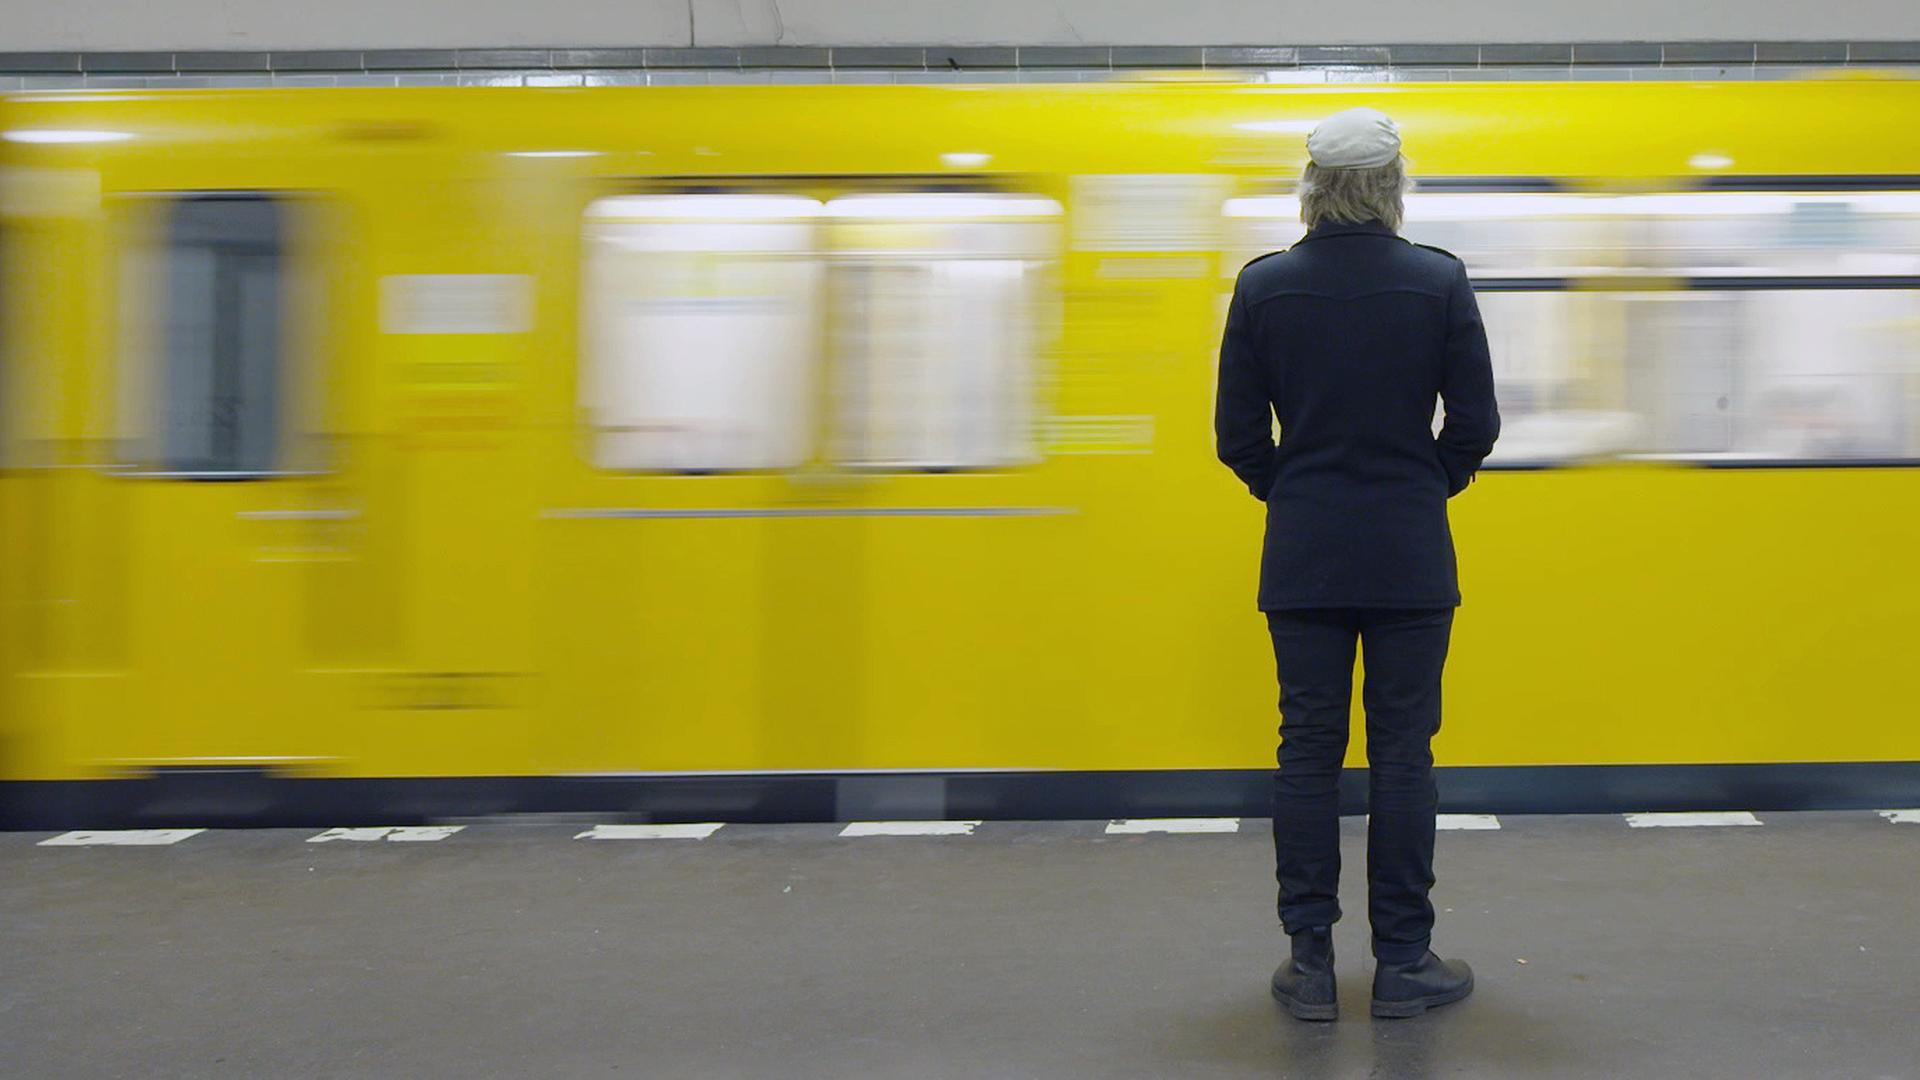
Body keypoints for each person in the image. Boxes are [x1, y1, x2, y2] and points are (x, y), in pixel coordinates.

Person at [1213, 106, 1500, 1021]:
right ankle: (1404, 962)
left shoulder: (1263, 289)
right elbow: (1477, 425)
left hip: (1304, 553)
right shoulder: (1438, 282)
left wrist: (1292, 493)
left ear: (1312, 187)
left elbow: (1235, 439)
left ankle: (1308, 966)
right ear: (1392, 185)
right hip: (1411, 551)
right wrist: (1425, 486)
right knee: (1404, 754)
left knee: (1307, 750)